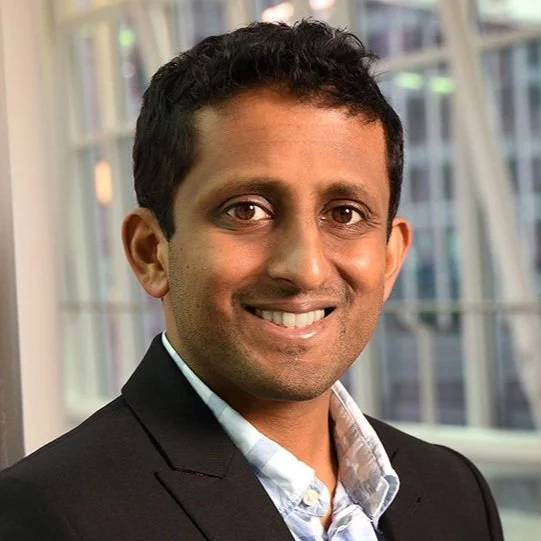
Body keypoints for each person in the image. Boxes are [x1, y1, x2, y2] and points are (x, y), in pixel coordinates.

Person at [0, 20, 503, 541]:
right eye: (247, 210)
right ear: (152, 253)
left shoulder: (454, 491)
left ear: (390, 258)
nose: (305, 268)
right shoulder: (47, 517)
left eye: (345, 214)